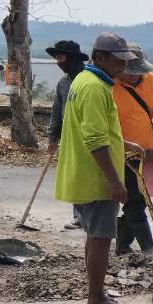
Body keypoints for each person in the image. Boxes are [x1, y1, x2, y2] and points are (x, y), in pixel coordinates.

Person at [53, 33, 138, 304]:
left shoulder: (84, 81)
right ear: (100, 57)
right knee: (101, 239)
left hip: (84, 175)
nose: (122, 66)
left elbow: (92, 128)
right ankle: (96, 300)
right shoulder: (93, 88)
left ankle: (96, 294)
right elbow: (94, 139)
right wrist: (114, 181)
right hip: (95, 178)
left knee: (94, 237)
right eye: (118, 61)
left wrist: (124, 143)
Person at [111, 46, 153, 253]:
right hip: (120, 152)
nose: (134, 76)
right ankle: (148, 250)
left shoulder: (152, 80)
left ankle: (123, 245)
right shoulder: (109, 84)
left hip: (146, 152)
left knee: (139, 200)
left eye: (138, 71)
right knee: (134, 201)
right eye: (130, 72)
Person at [45, 39, 89, 230]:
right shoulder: (63, 83)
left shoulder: (90, 80)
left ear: (73, 59)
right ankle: (79, 216)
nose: (58, 62)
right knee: (74, 176)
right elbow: (56, 112)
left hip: (89, 137)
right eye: (57, 58)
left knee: (88, 177)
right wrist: (52, 138)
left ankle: (91, 217)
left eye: (61, 58)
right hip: (69, 138)